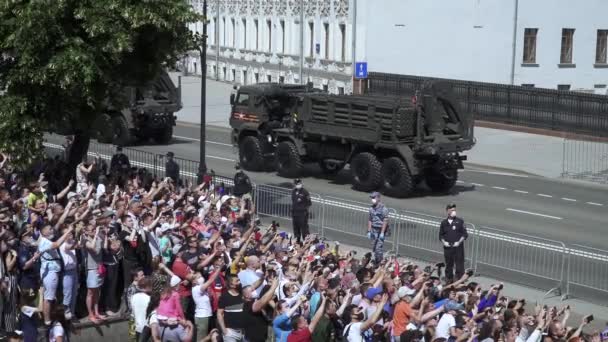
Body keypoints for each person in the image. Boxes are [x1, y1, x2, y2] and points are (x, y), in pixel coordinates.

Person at [439, 203, 468, 283]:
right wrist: (444, 242)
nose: (454, 212)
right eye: (452, 210)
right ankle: (449, 280)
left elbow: (465, 234)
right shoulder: (444, 223)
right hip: (448, 248)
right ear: (447, 211)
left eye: (454, 210)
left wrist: (459, 242)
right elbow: (441, 235)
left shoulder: (460, 221)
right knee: (449, 265)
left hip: (458, 248)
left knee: (459, 266)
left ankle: (459, 280)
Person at [367, 192, 389, 264]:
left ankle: (379, 262)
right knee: (374, 247)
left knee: (378, 248)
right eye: (372, 198)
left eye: (374, 198)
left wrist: (382, 233)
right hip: (373, 229)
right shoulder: (371, 208)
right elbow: (370, 219)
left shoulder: (383, 209)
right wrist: (369, 231)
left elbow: (385, 221)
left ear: (378, 198)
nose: (372, 199)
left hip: (380, 230)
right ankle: (377, 260)